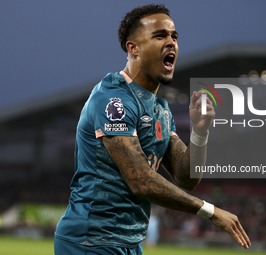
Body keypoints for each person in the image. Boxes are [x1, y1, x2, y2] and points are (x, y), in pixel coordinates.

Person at [54, 4, 251, 255]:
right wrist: (210, 211)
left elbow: (186, 177)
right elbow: (141, 181)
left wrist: (200, 132)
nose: (171, 42)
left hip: (130, 242)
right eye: (160, 36)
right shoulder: (114, 99)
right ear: (133, 47)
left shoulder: (160, 109)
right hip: (91, 240)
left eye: (174, 36)